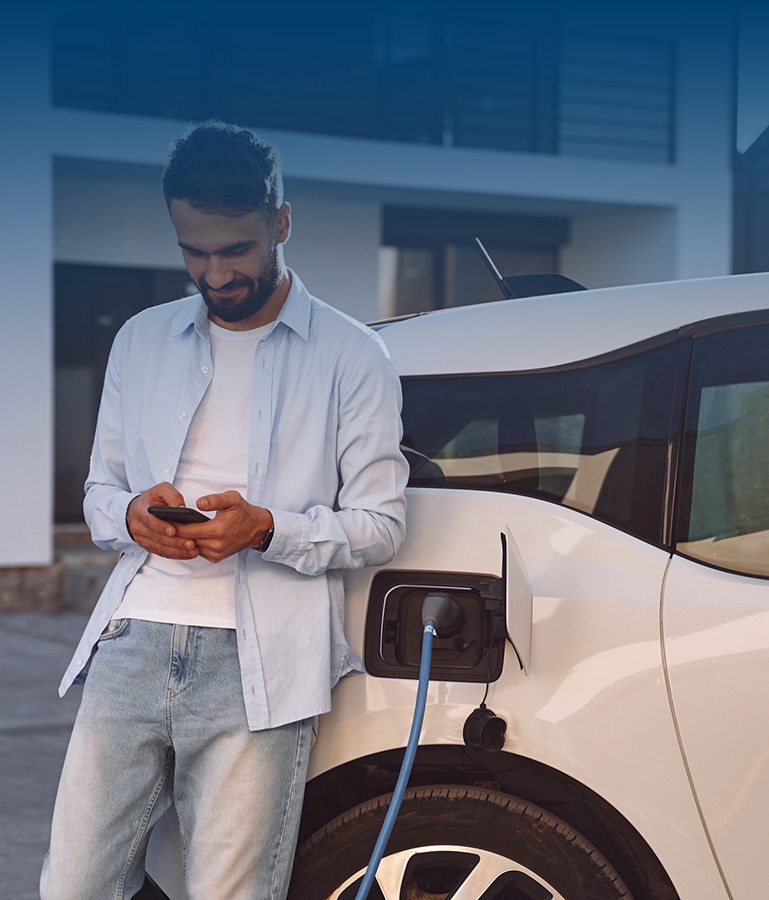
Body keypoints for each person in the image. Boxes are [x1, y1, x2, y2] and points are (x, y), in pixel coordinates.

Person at [41, 121, 409, 900]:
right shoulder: (142, 340)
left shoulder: (352, 355)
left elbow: (381, 523)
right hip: (133, 641)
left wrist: (266, 527)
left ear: (279, 222)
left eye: (234, 250)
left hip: (262, 663)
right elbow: (100, 494)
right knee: (73, 886)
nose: (214, 272)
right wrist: (133, 515)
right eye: (193, 252)